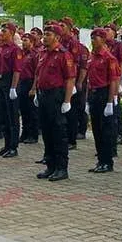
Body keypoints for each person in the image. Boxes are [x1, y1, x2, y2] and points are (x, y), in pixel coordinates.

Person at [31, 24, 76, 182]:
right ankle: (50, 165)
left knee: (58, 133)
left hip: (56, 96)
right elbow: (39, 74)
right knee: (47, 132)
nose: (45, 37)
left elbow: (70, 79)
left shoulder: (64, 55)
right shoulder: (43, 53)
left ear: (57, 37)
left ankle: (61, 168)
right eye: (45, 34)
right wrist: (37, 93)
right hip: (43, 95)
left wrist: (67, 100)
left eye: (49, 34)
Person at [86, 28, 121, 173]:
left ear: (103, 39)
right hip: (94, 94)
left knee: (106, 130)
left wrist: (110, 101)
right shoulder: (92, 56)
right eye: (92, 38)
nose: (93, 40)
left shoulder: (109, 58)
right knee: (96, 129)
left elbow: (114, 80)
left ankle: (107, 162)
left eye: (96, 38)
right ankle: (100, 160)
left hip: (104, 93)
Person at [0, 22, 23, 158]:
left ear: (11, 33)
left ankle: (13, 146)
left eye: (4, 31)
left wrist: (13, 88)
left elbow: (17, 70)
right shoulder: (1, 48)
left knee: (12, 117)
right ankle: (6, 145)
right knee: (3, 116)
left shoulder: (15, 49)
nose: (1, 33)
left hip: (10, 81)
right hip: (1, 83)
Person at [18, 33, 39, 145]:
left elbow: (37, 72)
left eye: (26, 40)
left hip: (30, 82)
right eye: (23, 40)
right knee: (24, 110)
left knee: (32, 111)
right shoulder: (21, 53)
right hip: (22, 82)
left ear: (31, 42)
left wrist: (34, 87)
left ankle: (33, 134)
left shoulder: (35, 54)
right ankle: (25, 133)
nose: (24, 42)